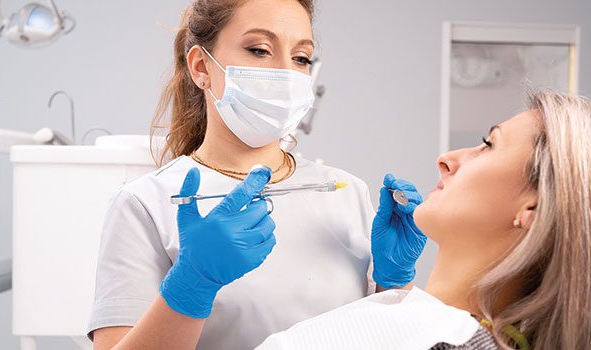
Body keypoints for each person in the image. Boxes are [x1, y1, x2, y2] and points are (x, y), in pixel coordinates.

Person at [88, 0, 426, 348]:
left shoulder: (345, 192)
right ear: (201, 66)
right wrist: (192, 284)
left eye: (301, 58)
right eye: (260, 50)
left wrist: (393, 284)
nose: (285, 73)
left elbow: (382, 338)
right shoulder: (147, 203)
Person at [256, 91, 591, 349]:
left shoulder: (440, 339)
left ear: (534, 211)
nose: (446, 160)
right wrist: (393, 289)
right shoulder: (429, 325)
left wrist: (191, 291)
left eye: (488, 145)